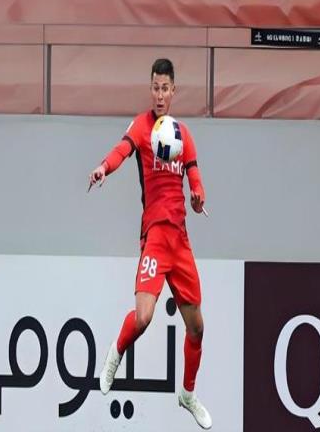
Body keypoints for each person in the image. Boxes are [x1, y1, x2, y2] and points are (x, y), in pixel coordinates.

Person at [88, 58, 212, 430]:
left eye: (165, 89)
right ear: (151, 89)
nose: (159, 95)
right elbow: (121, 151)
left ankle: (187, 395)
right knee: (143, 317)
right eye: (155, 88)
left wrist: (198, 196)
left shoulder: (182, 134)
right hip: (155, 236)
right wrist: (103, 167)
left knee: (197, 327)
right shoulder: (142, 127)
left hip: (180, 240)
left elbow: (194, 176)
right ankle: (116, 353)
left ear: (174, 91)